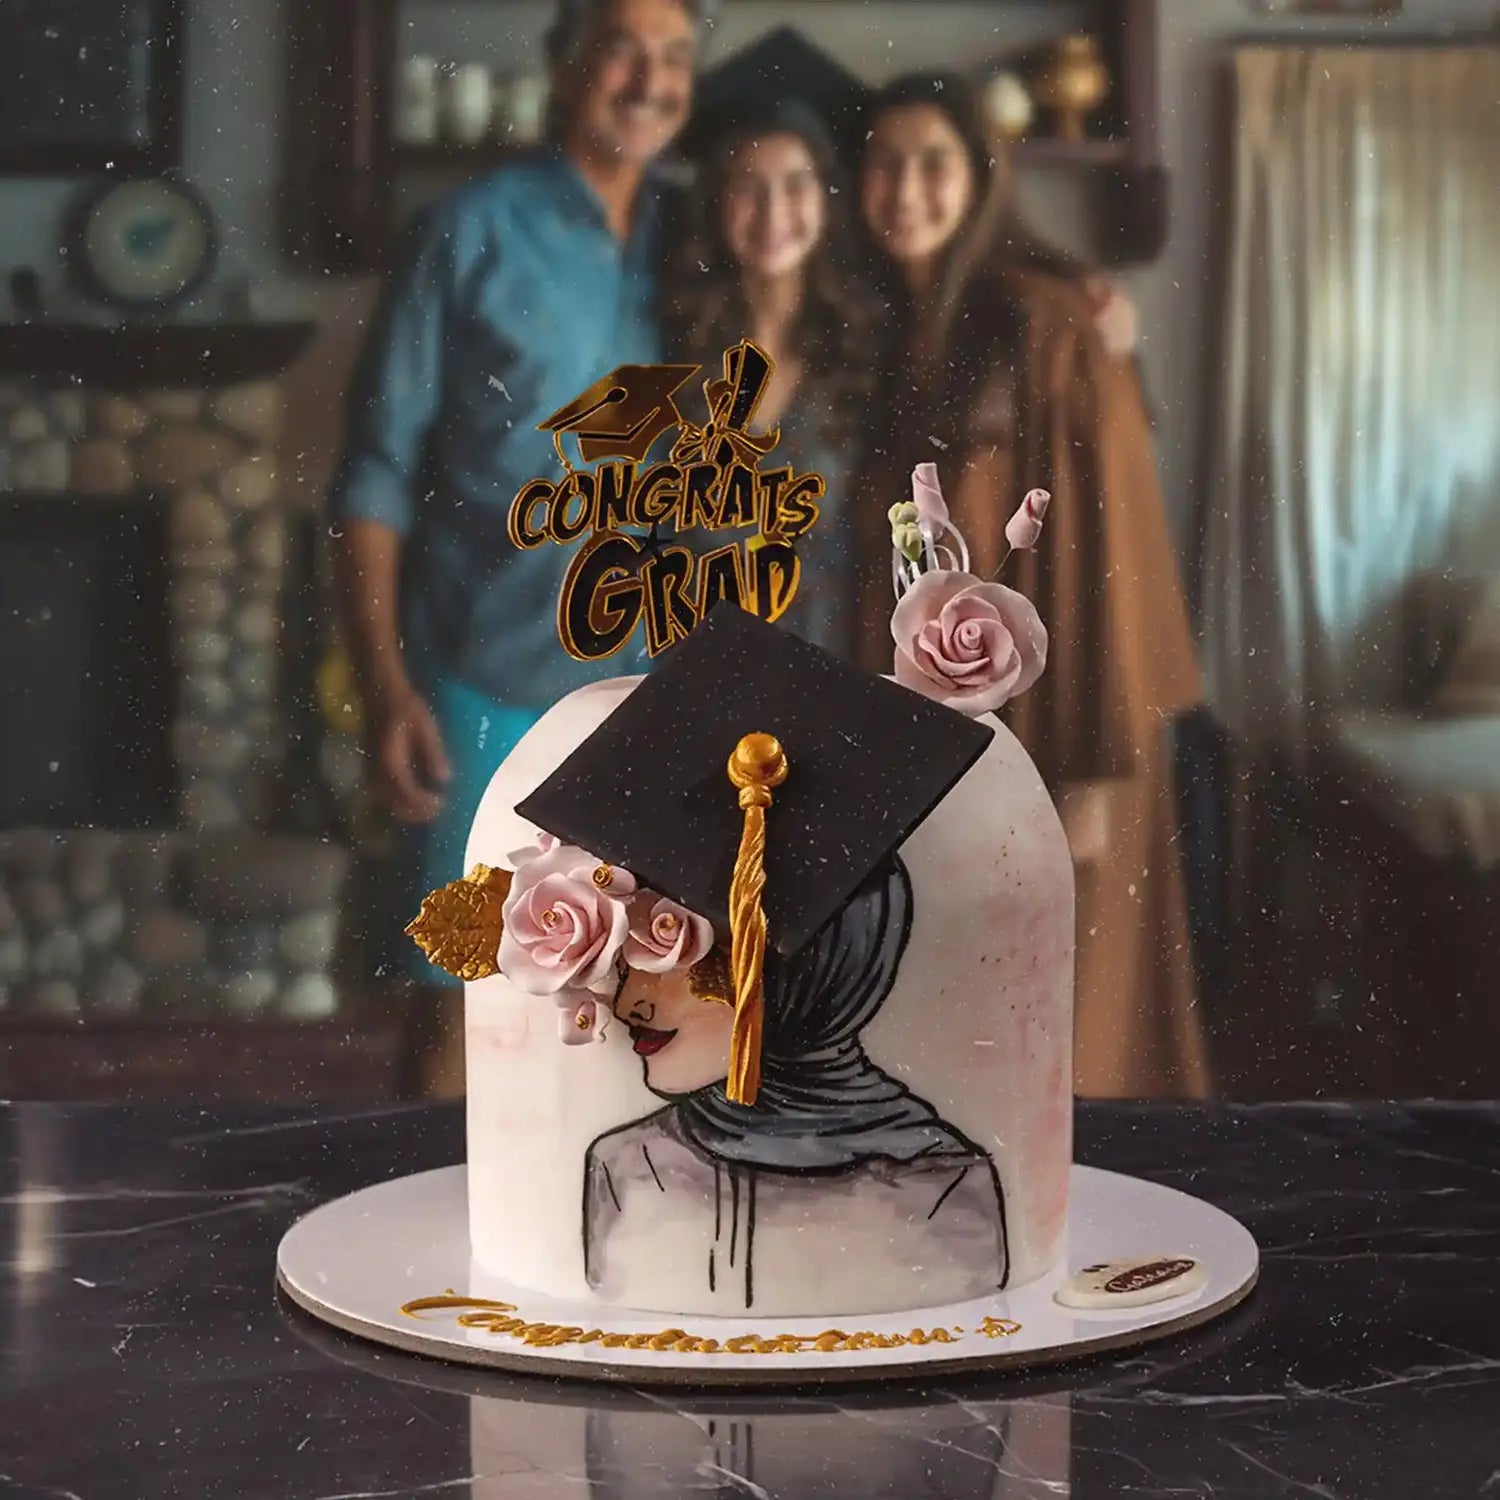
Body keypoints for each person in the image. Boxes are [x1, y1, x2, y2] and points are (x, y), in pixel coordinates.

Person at [326, 0, 703, 1092]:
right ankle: (425, 1261)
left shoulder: (692, 238)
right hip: (479, 684)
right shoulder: (470, 227)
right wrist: (384, 686)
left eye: (675, 57)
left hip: (638, 695)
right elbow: (375, 470)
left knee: (615, 1005)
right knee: (459, 1003)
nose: (649, 79)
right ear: (565, 64)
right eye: (624, 49)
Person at [854, 74, 1209, 1100]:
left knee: (1079, 1043)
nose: (905, 189)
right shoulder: (892, 329)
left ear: (979, 178)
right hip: (942, 744)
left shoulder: (1046, 326)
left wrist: (1094, 766)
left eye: (933, 162)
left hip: (1063, 731)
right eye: (883, 162)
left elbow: (1111, 548)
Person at [585, 859, 1009, 1309]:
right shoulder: (628, 1167)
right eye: (631, 960)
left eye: (682, 960)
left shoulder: (941, 1185)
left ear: (809, 971)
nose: (628, 1005)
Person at [661, 97, 876, 656]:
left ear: (828, 199)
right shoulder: (676, 346)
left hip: (834, 666)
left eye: (796, 184)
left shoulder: (864, 346)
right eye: (747, 186)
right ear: (716, 202)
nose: (773, 210)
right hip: (698, 668)